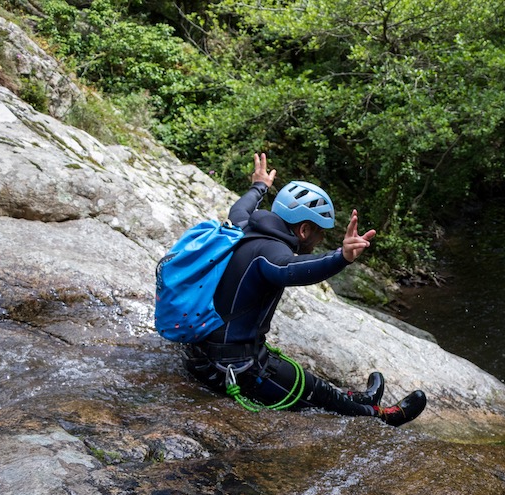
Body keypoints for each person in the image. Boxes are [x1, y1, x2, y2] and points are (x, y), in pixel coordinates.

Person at [182, 152, 427, 426]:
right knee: (312, 389)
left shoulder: (244, 225)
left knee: (308, 382)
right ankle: (382, 416)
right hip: (233, 367)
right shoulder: (271, 252)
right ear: (304, 230)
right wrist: (341, 257)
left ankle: (359, 399)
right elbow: (292, 269)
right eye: (320, 232)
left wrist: (259, 185)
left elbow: (240, 208)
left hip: (203, 353)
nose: (320, 238)